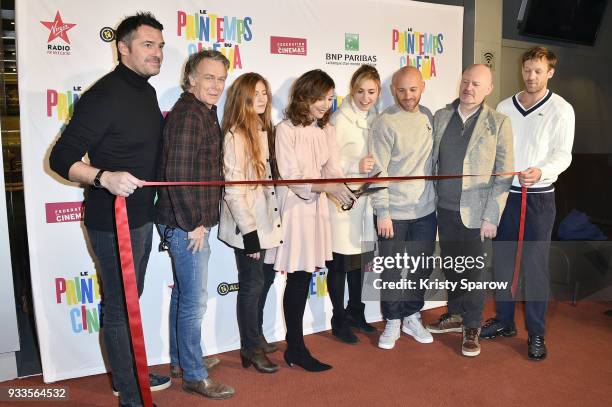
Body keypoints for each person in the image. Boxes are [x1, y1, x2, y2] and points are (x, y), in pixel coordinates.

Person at [49, 12, 170, 407]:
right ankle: (131, 393)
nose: (157, 53)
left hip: (140, 219)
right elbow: (61, 157)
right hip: (111, 221)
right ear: (124, 47)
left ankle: (129, 372)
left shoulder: (146, 90)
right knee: (119, 306)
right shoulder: (103, 95)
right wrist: (103, 177)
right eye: (148, 45)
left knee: (129, 303)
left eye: (161, 46)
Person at [480, 47, 574, 361]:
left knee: (534, 268)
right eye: (527, 70)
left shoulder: (562, 109)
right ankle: (505, 321)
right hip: (508, 195)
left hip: (539, 199)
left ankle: (536, 333)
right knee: (504, 263)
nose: (531, 77)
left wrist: (542, 171)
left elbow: (563, 155)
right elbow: (497, 148)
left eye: (538, 71)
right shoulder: (506, 106)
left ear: (550, 72)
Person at [155, 50, 234, 399]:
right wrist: (193, 224)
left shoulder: (204, 110)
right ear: (190, 79)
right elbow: (177, 175)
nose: (216, 85)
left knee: (185, 296)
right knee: (195, 301)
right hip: (184, 223)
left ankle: (179, 360)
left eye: (220, 78)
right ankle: (194, 374)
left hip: (185, 220)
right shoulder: (190, 114)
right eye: (208, 77)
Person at [426, 64, 514, 357]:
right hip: (444, 209)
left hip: (478, 215)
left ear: (488, 89)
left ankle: (472, 326)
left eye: (477, 84)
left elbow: (504, 174)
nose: (469, 88)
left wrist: (492, 215)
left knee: (473, 273)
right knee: (452, 267)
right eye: (465, 82)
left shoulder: (499, 123)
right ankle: (453, 314)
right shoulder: (441, 117)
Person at [272, 69, 356, 372]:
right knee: (297, 278)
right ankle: (295, 347)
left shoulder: (327, 130)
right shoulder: (285, 129)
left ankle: (296, 348)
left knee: (304, 276)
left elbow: (332, 168)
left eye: (330, 98)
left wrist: (345, 189)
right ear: (304, 95)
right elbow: (293, 179)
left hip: (318, 210)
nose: (325, 104)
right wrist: (330, 187)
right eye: (320, 97)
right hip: (294, 212)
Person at [369, 66, 437, 350]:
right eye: (401, 90)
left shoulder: (429, 116)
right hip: (393, 213)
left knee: (420, 267)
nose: (408, 96)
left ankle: (411, 314)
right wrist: (383, 212)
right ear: (393, 91)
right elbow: (377, 170)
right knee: (393, 270)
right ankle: (393, 320)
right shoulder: (385, 122)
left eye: (413, 89)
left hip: (425, 210)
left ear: (422, 87)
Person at [218, 72, 282, 373]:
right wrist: (251, 235)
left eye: (264, 92)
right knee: (252, 285)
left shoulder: (260, 128)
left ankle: (255, 336)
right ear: (242, 98)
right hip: (249, 229)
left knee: (264, 281)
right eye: (255, 93)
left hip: (266, 223)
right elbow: (233, 191)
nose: (261, 98)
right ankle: (251, 348)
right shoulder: (235, 135)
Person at [325, 64, 380, 344]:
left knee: (359, 262)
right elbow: (328, 165)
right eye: (360, 91)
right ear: (351, 90)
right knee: (339, 263)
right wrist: (354, 165)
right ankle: (338, 319)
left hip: (366, 200)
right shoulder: (338, 119)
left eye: (371, 92)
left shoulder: (376, 118)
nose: (365, 97)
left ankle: (357, 312)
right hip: (342, 199)